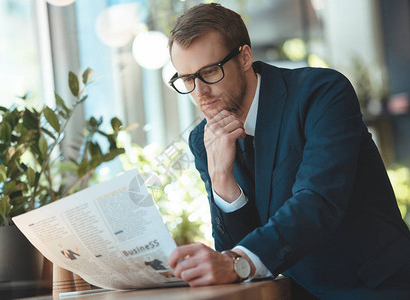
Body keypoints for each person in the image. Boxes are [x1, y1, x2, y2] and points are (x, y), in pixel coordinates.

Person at [166, 3, 410, 299]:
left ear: (244, 57)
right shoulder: (204, 139)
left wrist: (237, 263)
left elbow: (318, 201)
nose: (200, 92)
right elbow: (232, 251)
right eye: (188, 79)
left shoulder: (321, 93)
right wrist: (221, 179)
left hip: (371, 288)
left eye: (209, 72)